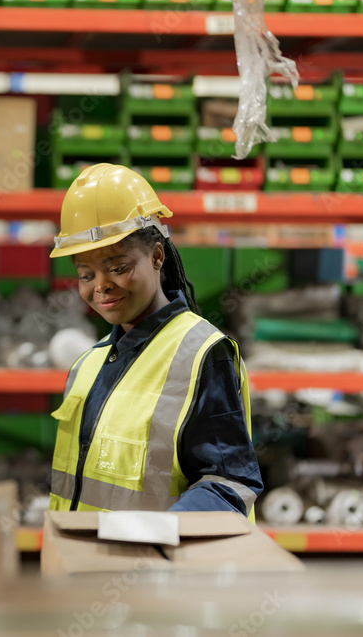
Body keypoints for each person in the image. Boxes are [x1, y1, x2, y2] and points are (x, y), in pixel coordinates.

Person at [47, 163, 262, 518]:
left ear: (157, 256)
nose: (100, 285)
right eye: (86, 274)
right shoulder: (88, 364)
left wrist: (156, 538)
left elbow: (229, 484)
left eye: (117, 268)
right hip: (84, 563)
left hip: (161, 566)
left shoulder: (202, 354)